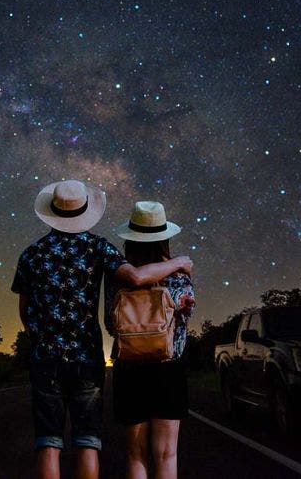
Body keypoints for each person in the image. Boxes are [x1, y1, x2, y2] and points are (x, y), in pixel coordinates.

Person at [11, 180, 192, 479]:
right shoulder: (97, 247)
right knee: (87, 441)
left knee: (48, 442)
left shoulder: (31, 255)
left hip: (48, 357)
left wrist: (39, 339)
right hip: (88, 357)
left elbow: (25, 310)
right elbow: (136, 278)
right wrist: (179, 262)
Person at [105, 201, 196, 479]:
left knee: (136, 455)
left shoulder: (117, 275)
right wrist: (179, 262)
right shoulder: (180, 275)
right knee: (166, 454)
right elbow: (184, 320)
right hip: (168, 368)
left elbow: (111, 325)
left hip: (129, 369)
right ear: (164, 237)